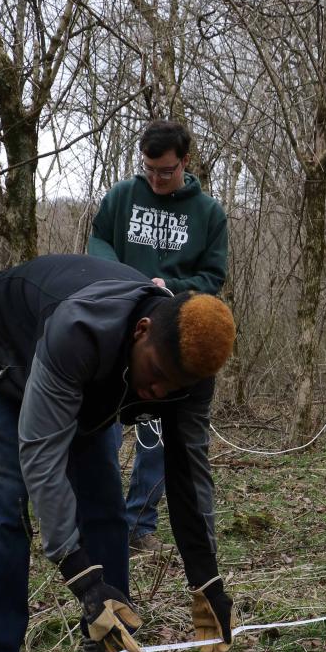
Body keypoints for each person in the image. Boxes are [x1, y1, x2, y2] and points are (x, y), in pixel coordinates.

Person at [0, 254, 236, 652]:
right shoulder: (80, 330)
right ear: (141, 331)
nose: (159, 393)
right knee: (2, 507)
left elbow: (188, 474)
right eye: (157, 374)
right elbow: (42, 459)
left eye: (174, 386)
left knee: (104, 505)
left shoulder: (190, 371)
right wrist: (84, 582)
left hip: (84, 384)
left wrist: (208, 580)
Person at [88, 120, 228, 556]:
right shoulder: (122, 197)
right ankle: (99, 520)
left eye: (164, 170)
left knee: (158, 438)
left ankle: (139, 524)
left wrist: (168, 285)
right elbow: (98, 241)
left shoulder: (208, 213)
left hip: (171, 334)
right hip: (119, 329)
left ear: (184, 162)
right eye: (148, 168)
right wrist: (124, 278)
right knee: (100, 428)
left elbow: (212, 277)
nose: (155, 177)